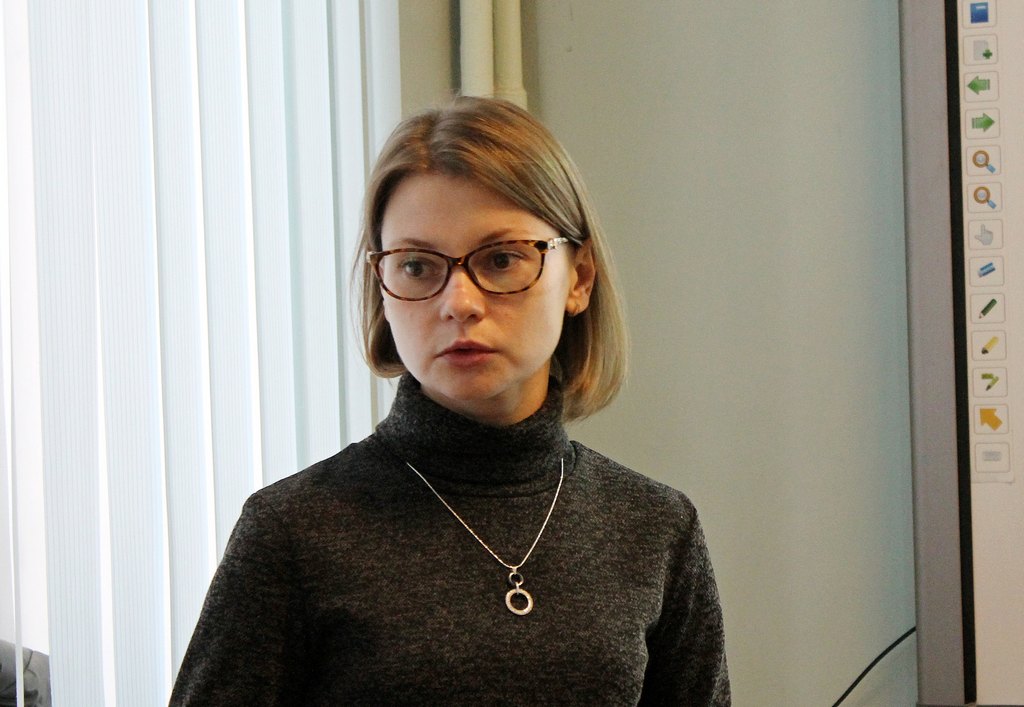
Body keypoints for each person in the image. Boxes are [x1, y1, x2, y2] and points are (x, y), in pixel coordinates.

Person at [170, 96, 729, 705]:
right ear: (383, 287)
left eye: (502, 259)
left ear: (580, 277)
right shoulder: (292, 532)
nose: (459, 302)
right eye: (417, 265)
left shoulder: (656, 526)